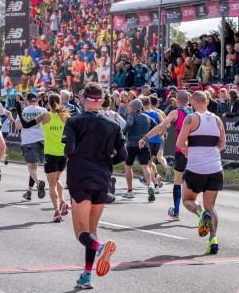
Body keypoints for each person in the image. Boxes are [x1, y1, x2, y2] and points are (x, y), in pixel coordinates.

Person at [63, 82, 127, 289]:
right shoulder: (113, 125)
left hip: (80, 177)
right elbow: (123, 156)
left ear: (83, 99)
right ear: (101, 100)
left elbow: (68, 150)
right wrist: (106, 161)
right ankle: (87, 275)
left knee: (81, 232)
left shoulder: (74, 121)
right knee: (92, 229)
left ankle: (100, 250)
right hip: (102, 179)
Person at [174, 91, 226, 254]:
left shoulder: (191, 118)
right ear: (207, 102)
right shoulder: (217, 120)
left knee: (188, 200)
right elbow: (222, 145)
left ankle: (200, 213)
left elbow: (179, 142)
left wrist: (187, 148)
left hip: (196, 168)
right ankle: (213, 240)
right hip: (215, 168)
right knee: (211, 206)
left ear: (192, 102)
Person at [17, 93, 70, 222]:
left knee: (52, 184)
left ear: (48, 103)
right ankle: (63, 201)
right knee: (57, 179)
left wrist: (19, 110)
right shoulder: (65, 116)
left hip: (50, 153)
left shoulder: (45, 116)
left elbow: (26, 125)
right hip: (63, 153)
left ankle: (57, 212)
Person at [141, 91, 192, 219]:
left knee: (178, 181)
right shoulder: (195, 113)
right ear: (189, 100)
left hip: (182, 150)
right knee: (195, 182)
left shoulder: (175, 113)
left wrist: (145, 138)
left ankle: (176, 212)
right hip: (196, 152)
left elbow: (161, 126)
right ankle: (203, 210)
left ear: (176, 100)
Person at [121, 99, 157, 201]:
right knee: (145, 167)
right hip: (144, 145)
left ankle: (130, 191)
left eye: (129, 106)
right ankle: (150, 186)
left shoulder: (131, 116)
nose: (128, 108)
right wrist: (147, 135)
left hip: (131, 145)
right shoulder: (147, 117)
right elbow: (156, 126)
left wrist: (122, 134)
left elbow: (129, 124)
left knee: (128, 167)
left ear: (134, 108)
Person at [14, 93, 47, 201]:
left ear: (27, 101)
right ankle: (29, 192)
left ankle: (39, 183)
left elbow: (18, 126)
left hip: (28, 141)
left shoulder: (23, 111)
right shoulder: (43, 110)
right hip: (41, 140)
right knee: (35, 168)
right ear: (36, 100)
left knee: (30, 168)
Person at [141, 96, 165, 191]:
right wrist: (161, 135)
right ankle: (154, 182)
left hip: (148, 141)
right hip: (157, 142)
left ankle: (154, 185)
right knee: (150, 163)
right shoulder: (157, 113)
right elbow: (165, 125)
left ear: (142, 105)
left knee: (147, 165)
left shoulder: (142, 114)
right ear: (150, 103)